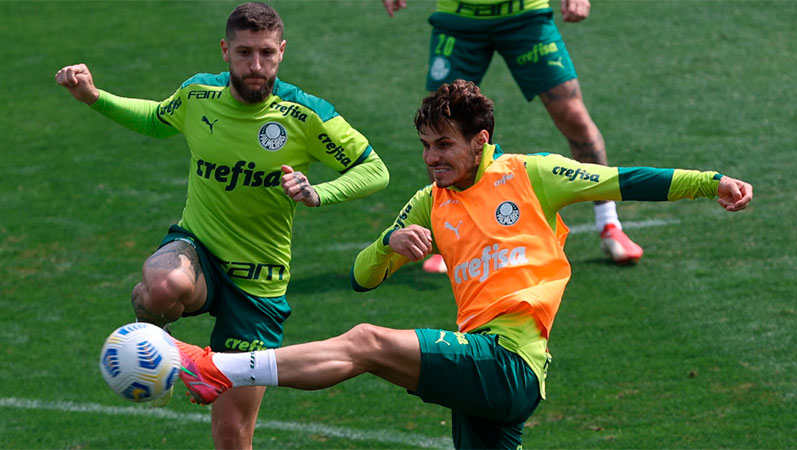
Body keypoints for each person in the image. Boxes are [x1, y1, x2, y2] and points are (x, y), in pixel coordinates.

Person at [172, 80, 752, 449]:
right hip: (485, 371)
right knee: (368, 336)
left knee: (367, 343)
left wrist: (711, 183)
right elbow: (360, 276)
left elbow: (621, 180)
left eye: (444, 145)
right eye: (425, 146)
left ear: (481, 140)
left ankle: (220, 369)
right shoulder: (428, 202)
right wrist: (389, 246)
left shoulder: (531, 175)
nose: (431, 159)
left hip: (510, 362)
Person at [55, 2, 389, 448]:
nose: (256, 66)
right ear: (224, 51)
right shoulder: (198, 96)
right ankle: (161, 351)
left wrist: (319, 192)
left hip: (259, 283)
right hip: (200, 249)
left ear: (282, 52)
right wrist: (94, 97)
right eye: (245, 52)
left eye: (267, 54)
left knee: (231, 435)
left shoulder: (305, 115)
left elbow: (375, 169)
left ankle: (170, 359)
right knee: (160, 285)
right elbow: (157, 119)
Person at [382, 0, 643, 273]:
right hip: (458, 20)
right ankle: (447, 239)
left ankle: (609, 225)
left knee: (572, 114)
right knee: (442, 126)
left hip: (525, 15)